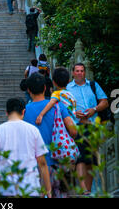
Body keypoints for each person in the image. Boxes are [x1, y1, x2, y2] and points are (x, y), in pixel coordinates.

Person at [24, 73, 77, 197]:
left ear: (28, 90)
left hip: (36, 166)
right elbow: (73, 130)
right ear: (45, 88)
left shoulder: (24, 111)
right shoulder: (58, 106)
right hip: (59, 163)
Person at [0, 98, 52, 198]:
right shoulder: (33, 130)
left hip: (7, 188)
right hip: (30, 187)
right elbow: (42, 163)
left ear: (6, 112)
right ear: (24, 111)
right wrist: (48, 189)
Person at [66, 63, 109, 194]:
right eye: (77, 71)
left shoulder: (93, 85)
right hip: (76, 127)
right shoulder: (67, 88)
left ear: (85, 72)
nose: (80, 73)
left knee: (90, 159)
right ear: (72, 72)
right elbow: (62, 108)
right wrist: (74, 113)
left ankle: (88, 191)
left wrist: (94, 109)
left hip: (92, 126)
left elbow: (105, 102)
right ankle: (84, 190)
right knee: (80, 158)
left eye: (82, 71)